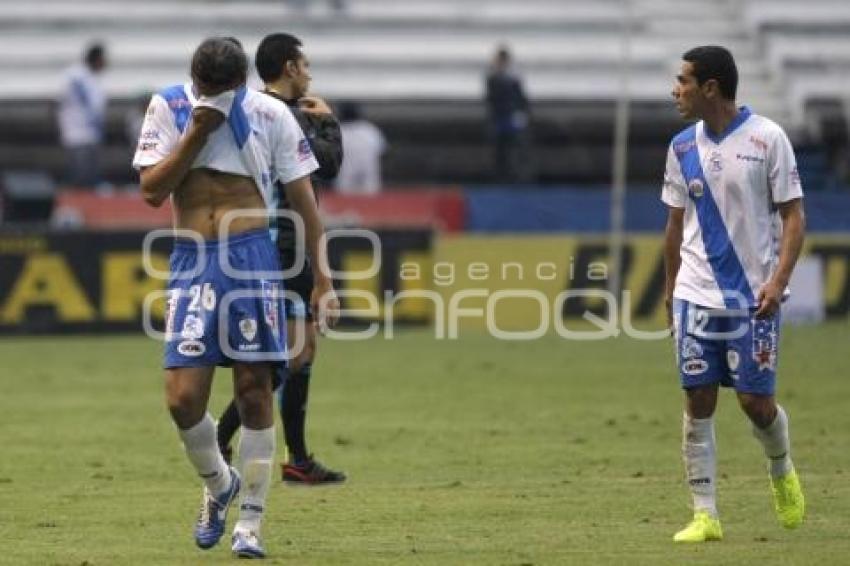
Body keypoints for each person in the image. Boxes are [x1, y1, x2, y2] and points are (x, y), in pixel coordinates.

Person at [133, 37, 338, 558]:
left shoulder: (269, 115)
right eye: (208, 91)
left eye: (223, 93)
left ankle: (250, 522)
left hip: (252, 258)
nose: (217, 99)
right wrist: (197, 133)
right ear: (196, 81)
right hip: (192, 260)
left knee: (253, 392)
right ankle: (220, 484)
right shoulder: (171, 106)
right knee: (182, 400)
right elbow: (154, 191)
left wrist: (323, 277)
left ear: (240, 85)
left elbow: (305, 202)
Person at [662, 45, 806, 543]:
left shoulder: (768, 139)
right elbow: (675, 223)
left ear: (711, 88)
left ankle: (781, 469)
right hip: (694, 293)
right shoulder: (682, 147)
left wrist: (778, 282)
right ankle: (705, 515)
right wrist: (669, 291)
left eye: (683, 80)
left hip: (752, 297)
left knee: (754, 404)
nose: (674, 89)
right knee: (697, 399)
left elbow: (794, 216)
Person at [216, 32, 347, 485]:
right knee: (285, 358)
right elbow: (326, 164)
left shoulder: (261, 112)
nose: (309, 73)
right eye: (305, 64)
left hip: (287, 246)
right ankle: (226, 436)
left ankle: (296, 457)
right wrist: (329, 122)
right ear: (290, 67)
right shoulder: (284, 116)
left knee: (299, 353)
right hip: (281, 247)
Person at [57, 42, 108, 187]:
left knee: (90, 174)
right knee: (81, 174)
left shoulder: (91, 78)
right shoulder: (77, 77)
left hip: (90, 132)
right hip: (78, 131)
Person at [484, 45, 531, 183]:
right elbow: (492, 100)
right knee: (500, 151)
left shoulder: (513, 79)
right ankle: (501, 178)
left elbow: (521, 98)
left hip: (512, 117)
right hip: (500, 118)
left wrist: (521, 114)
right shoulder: (493, 78)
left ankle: (520, 177)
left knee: (518, 148)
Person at [333, 101, 386, 194]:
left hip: (345, 186)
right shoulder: (370, 130)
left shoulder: (337, 131)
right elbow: (384, 155)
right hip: (370, 186)